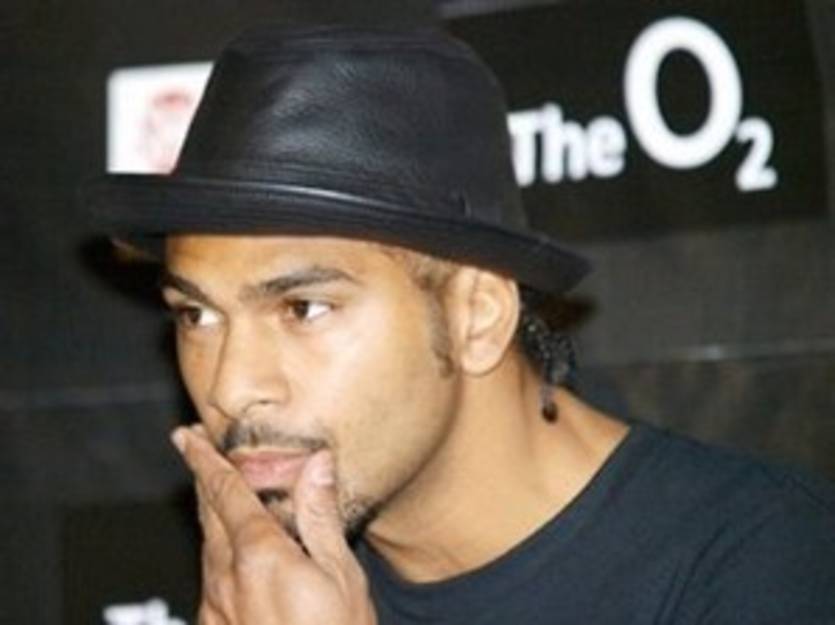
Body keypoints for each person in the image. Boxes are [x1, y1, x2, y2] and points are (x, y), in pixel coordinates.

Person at [85, 23, 835, 625]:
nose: (230, 386)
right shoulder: (264, 585)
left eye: (303, 308)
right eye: (197, 314)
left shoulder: (761, 563)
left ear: (478, 314)